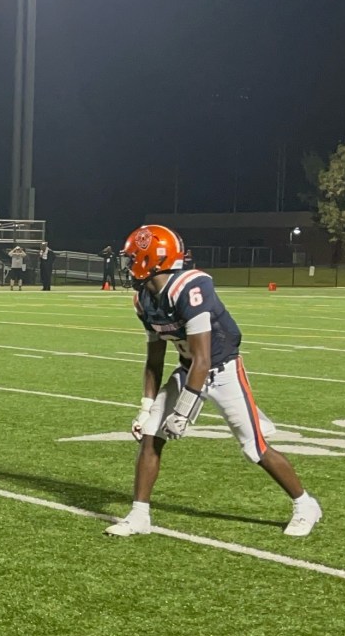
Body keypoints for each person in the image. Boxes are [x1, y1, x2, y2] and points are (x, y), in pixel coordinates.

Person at [110, 224, 321, 538]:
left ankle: (305, 504)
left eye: (131, 258)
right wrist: (146, 407)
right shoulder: (144, 300)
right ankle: (139, 515)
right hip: (188, 369)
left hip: (222, 371)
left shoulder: (190, 287)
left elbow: (204, 359)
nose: (127, 266)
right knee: (151, 434)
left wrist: (182, 412)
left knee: (254, 448)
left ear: (151, 259)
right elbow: (154, 359)